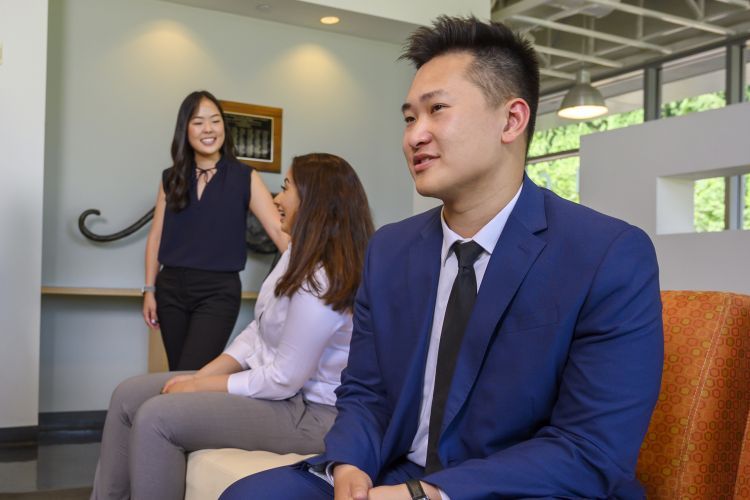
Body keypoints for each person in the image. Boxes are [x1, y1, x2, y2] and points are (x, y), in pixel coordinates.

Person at [221, 16, 663, 500]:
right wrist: (350, 466)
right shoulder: (390, 250)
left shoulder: (607, 254)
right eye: (410, 118)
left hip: (517, 488)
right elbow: (366, 392)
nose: (414, 136)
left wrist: (426, 495)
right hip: (392, 471)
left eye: (437, 111)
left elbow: (589, 447)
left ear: (512, 120)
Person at [91, 153, 375, 500]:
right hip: (284, 394)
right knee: (127, 395)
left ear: (313, 201)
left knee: (157, 418)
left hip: (314, 413)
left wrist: (202, 387)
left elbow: (283, 379)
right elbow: (257, 331)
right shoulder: (298, 252)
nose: (276, 199)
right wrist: (199, 377)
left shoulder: (322, 280)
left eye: (286, 188)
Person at [142, 90, 289, 371]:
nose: (208, 129)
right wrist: (149, 290)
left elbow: (278, 230)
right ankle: (178, 416)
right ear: (185, 129)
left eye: (215, 121)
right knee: (177, 371)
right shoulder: (170, 178)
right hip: (170, 288)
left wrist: (318, 272)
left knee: (193, 374)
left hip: (218, 292)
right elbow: (156, 237)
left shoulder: (245, 177)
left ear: (224, 126)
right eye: (198, 122)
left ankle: (180, 416)